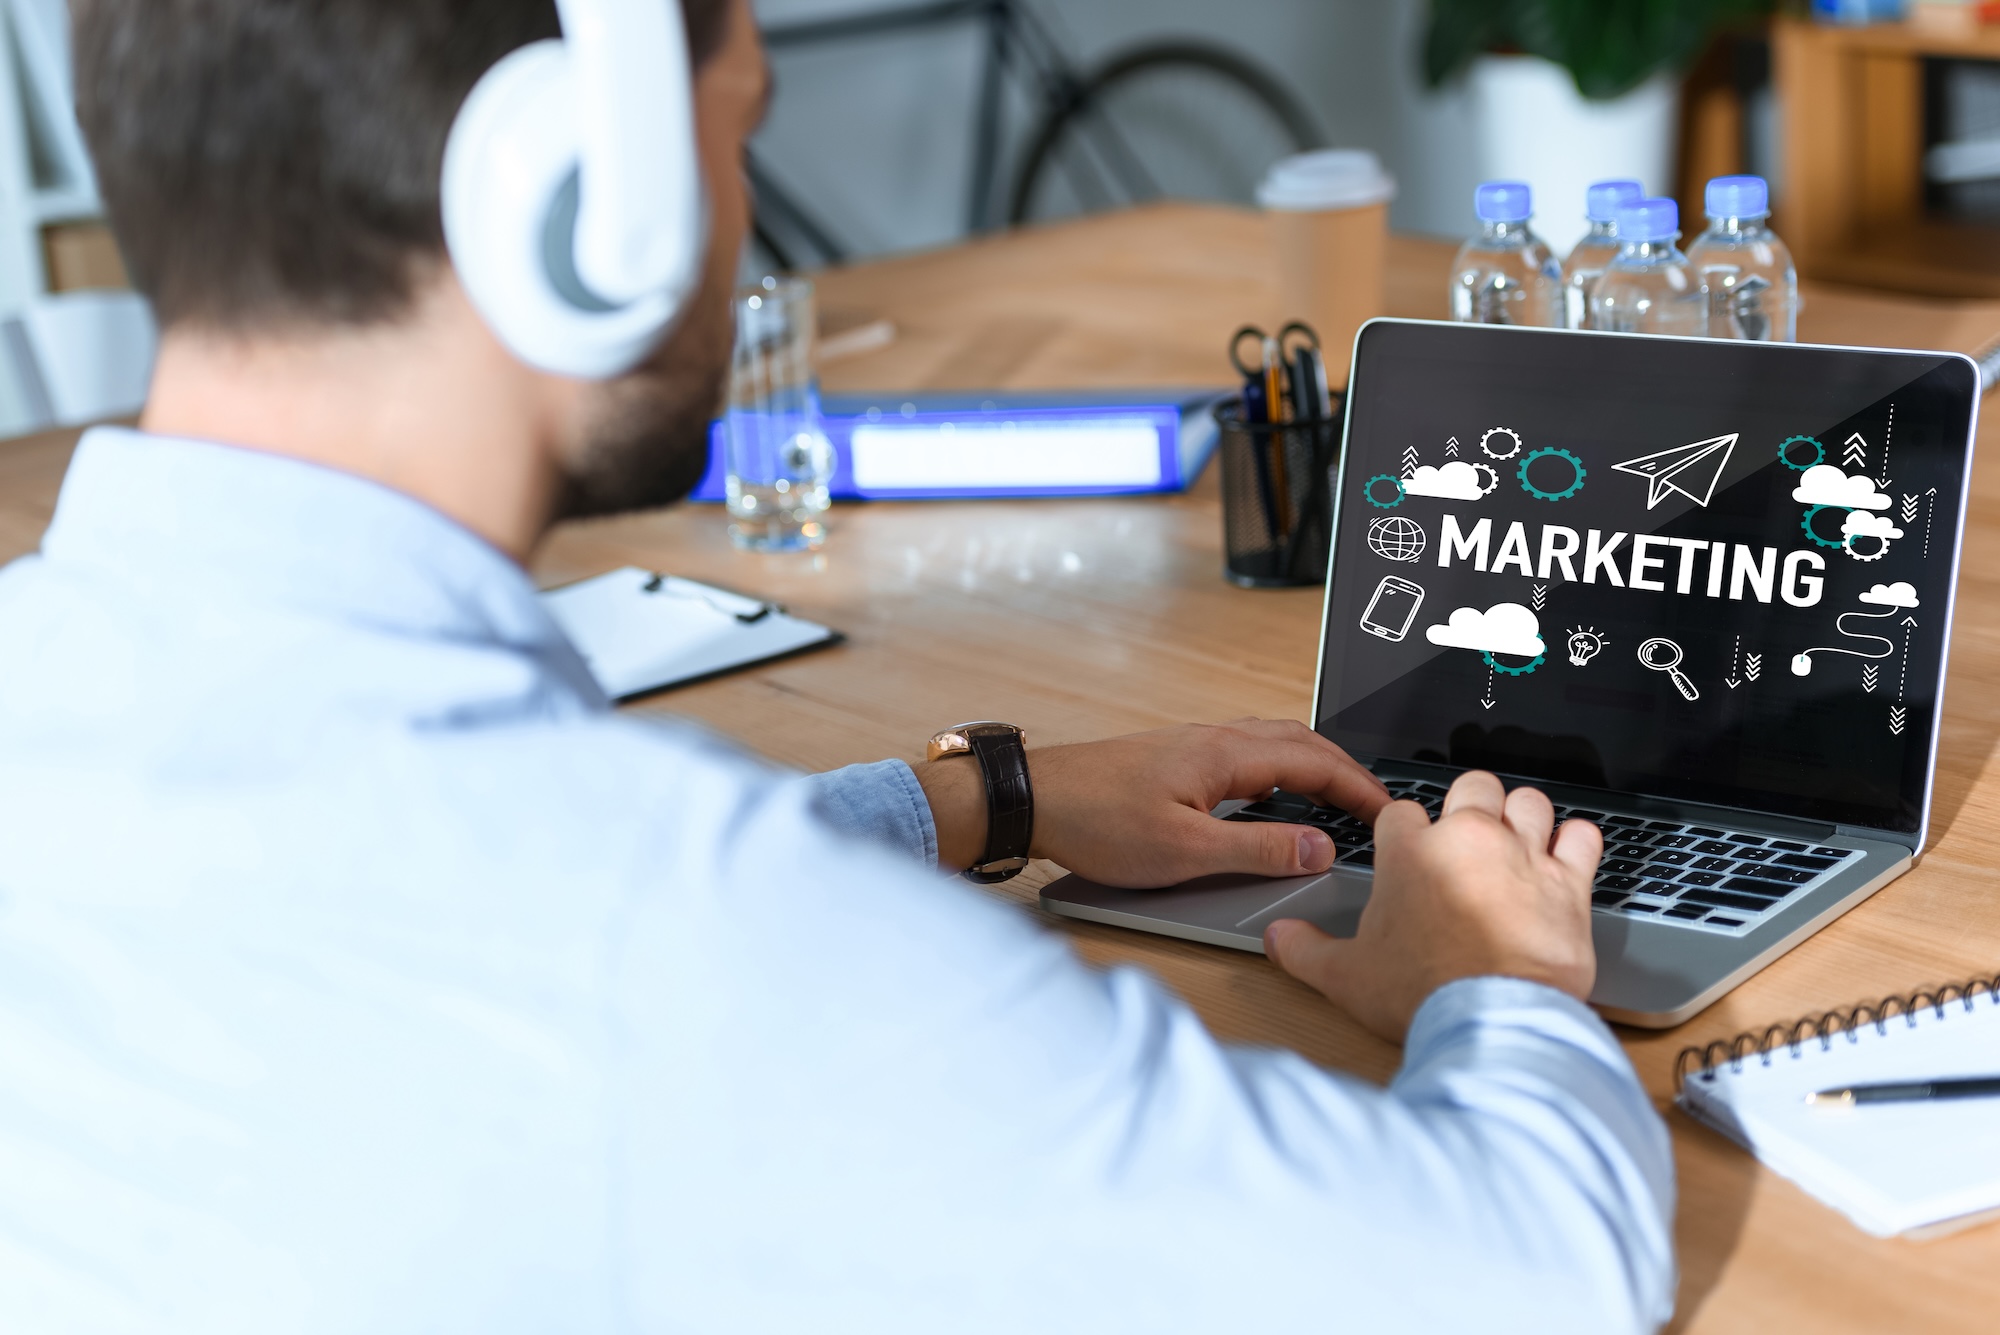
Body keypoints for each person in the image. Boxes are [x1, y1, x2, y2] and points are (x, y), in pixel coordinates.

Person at [0, 1, 1673, 1330]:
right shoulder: (687, 950)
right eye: (734, 137)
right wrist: (1492, 978)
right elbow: (1538, 1268)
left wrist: (976, 801)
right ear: (589, 202)